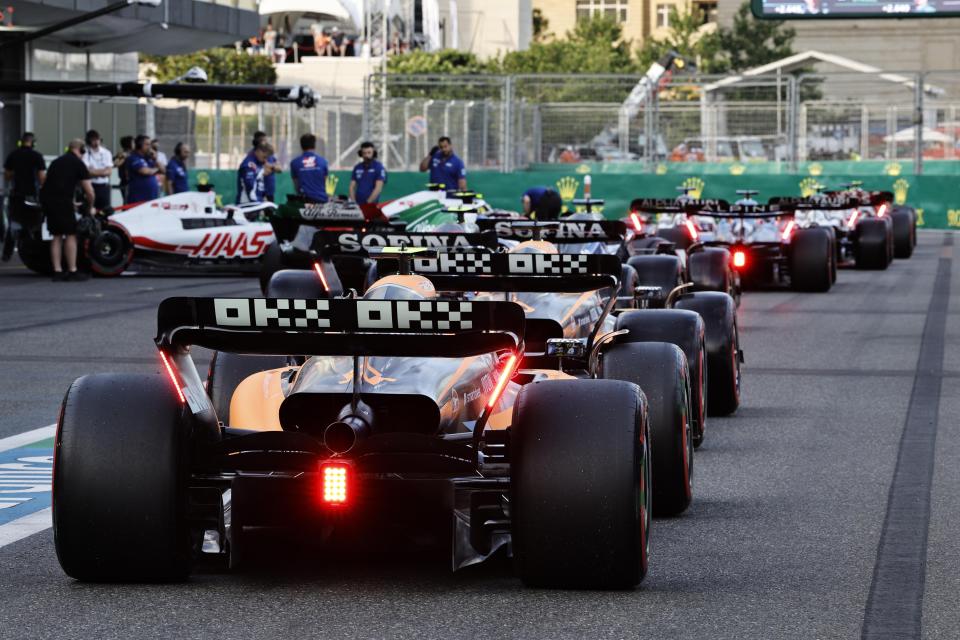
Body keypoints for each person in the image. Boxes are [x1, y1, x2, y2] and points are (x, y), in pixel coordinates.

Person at [40, 139, 94, 281]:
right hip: (63, 202)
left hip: (49, 202)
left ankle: (57, 271)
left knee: (56, 235)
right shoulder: (78, 163)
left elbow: (49, 183)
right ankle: (72, 270)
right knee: (70, 235)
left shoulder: (56, 162)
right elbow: (89, 192)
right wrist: (90, 206)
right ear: (81, 150)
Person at [2, 132, 46, 261]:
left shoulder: (13, 155)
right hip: (32, 195)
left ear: (21, 142)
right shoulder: (37, 156)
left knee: (14, 224)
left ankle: (7, 253)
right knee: (35, 223)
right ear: (33, 143)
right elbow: (42, 177)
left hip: (16, 194)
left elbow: (7, 176)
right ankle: (35, 250)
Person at [290, 134, 329, 203]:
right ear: (314, 145)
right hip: (322, 200)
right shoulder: (323, 161)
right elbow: (327, 183)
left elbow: (296, 185)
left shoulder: (294, 163)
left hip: (304, 202)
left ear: (301, 146)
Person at [124, 135, 162, 203]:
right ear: (139, 145)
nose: (150, 147)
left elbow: (163, 170)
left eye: (150, 145)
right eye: (147, 144)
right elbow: (145, 171)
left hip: (151, 197)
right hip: (138, 197)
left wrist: (155, 159)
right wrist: (156, 169)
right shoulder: (133, 158)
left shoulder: (149, 158)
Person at [81, 130, 113, 212]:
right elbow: (86, 172)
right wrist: (102, 172)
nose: (96, 142)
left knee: (105, 211)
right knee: (89, 210)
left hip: (104, 187)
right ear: (88, 141)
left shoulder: (106, 153)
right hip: (90, 186)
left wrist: (94, 171)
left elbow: (109, 172)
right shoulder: (85, 153)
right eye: (93, 140)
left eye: (97, 139)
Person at [252, 131, 282, 201]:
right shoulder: (253, 156)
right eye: (264, 141)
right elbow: (262, 171)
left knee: (270, 210)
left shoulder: (270, 154)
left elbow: (279, 169)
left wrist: (271, 167)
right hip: (257, 192)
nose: (266, 143)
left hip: (269, 190)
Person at [115, 135, 134, 204]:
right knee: (127, 202)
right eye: (133, 142)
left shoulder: (134, 154)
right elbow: (116, 164)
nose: (135, 144)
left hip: (134, 181)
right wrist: (124, 157)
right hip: (125, 181)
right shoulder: (122, 154)